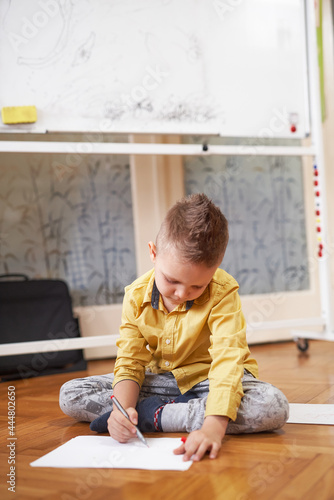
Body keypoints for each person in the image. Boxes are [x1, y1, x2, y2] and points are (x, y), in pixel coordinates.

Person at [59, 193, 289, 462]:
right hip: (160, 381)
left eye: (197, 286)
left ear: (214, 271)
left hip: (209, 380)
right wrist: (122, 410)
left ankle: (153, 415)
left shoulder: (224, 291)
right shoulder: (135, 295)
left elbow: (228, 362)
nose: (181, 293)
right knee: (71, 394)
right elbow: (130, 362)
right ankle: (154, 411)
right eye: (171, 280)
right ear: (153, 253)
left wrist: (214, 428)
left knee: (273, 406)